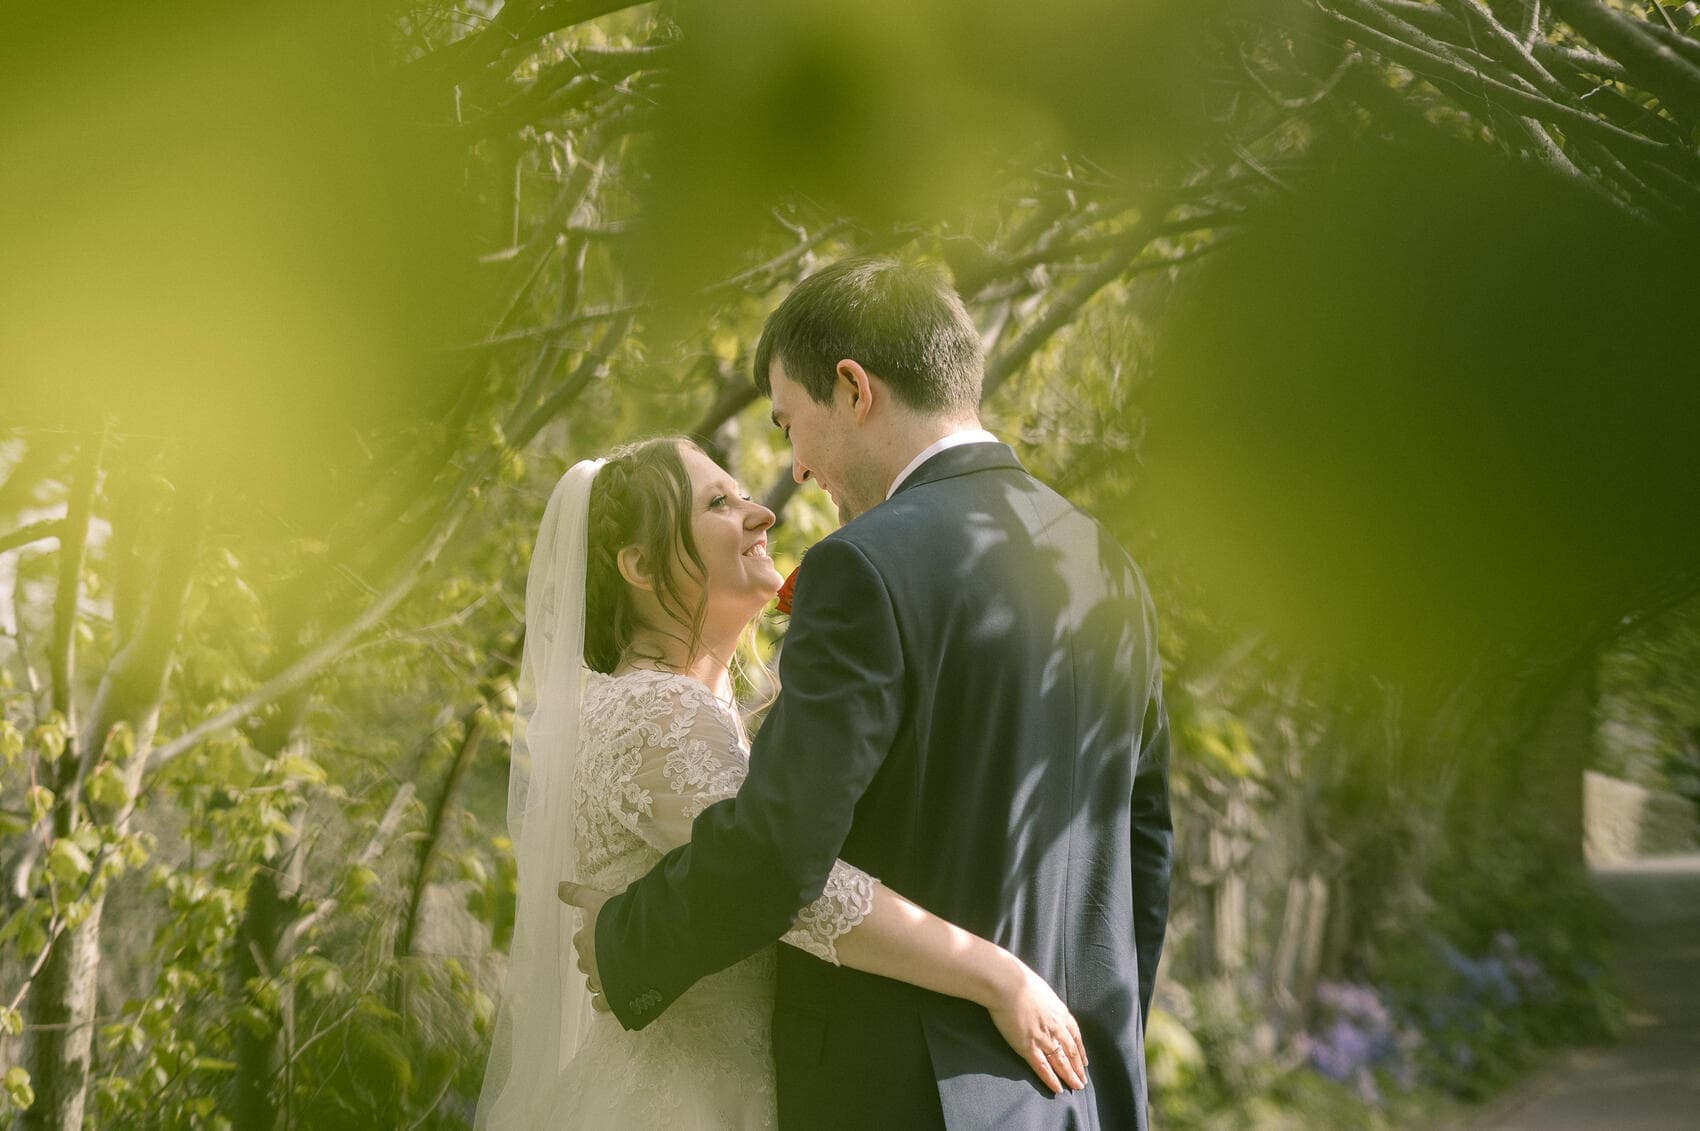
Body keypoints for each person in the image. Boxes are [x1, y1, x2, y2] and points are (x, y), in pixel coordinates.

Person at [569, 257, 1174, 1128]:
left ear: (854, 387)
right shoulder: (1108, 567)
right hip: (1078, 1098)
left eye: (789, 425)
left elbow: (782, 849)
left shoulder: (865, 567)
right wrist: (1098, 1071)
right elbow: (1142, 852)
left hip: (902, 1101)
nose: (798, 471)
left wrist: (625, 942)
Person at [475, 436, 1089, 1130]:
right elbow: (793, 883)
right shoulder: (655, 714)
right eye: (719, 502)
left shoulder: (705, 716)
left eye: (743, 494)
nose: (761, 513)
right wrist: (999, 976)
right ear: (640, 566)